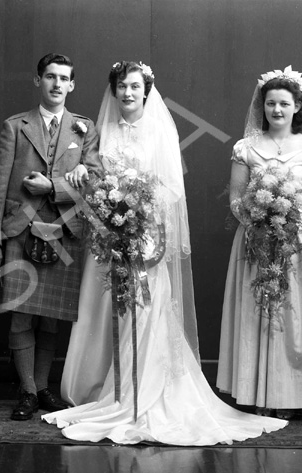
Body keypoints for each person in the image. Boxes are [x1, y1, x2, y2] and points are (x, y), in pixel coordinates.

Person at [42, 61, 287, 445]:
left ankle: (148, 392)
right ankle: (105, 390)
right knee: (105, 309)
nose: (127, 93)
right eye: (121, 86)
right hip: (109, 234)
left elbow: (171, 189)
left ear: (146, 90)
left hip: (146, 236)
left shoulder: (159, 131)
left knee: (146, 310)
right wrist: (108, 211)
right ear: (114, 89)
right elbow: (92, 179)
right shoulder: (100, 132)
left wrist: (142, 227)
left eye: (134, 86)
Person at [217, 66, 302, 419]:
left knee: (296, 316)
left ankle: (293, 395)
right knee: (257, 314)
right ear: (263, 106)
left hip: (299, 242)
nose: (277, 110)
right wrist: (257, 220)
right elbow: (235, 198)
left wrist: (295, 220)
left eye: (284, 104)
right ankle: (254, 392)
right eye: (271, 103)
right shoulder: (246, 148)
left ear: (297, 107)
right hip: (256, 242)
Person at [0, 53, 102, 421]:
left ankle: (42, 385)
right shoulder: (15, 126)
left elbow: (96, 182)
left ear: (72, 84)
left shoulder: (85, 129)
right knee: (21, 317)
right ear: (39, 81)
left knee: (51, 319)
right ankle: (29, 393)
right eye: (49, 77)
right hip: (19, 230)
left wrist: (54, 186)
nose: (56, 84)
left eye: (63, 78)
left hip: (65, 234)